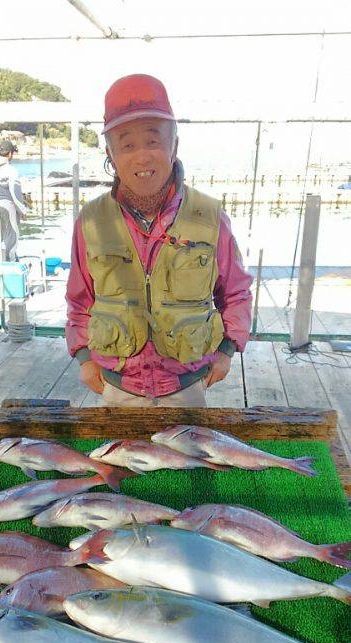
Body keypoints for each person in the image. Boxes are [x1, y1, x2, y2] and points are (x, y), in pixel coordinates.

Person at [65, 74, 253, 407]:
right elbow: (80, 300)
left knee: (190, 460)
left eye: (153, 141)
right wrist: (83, 357)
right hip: (116, 386)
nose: (142, 156)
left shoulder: (210, 217)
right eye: (127, 145)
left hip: (188, 386)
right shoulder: (91, 222)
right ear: (110, 152)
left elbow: (236, 293)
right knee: (115, 459)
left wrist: (226, 352)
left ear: (174, 146)